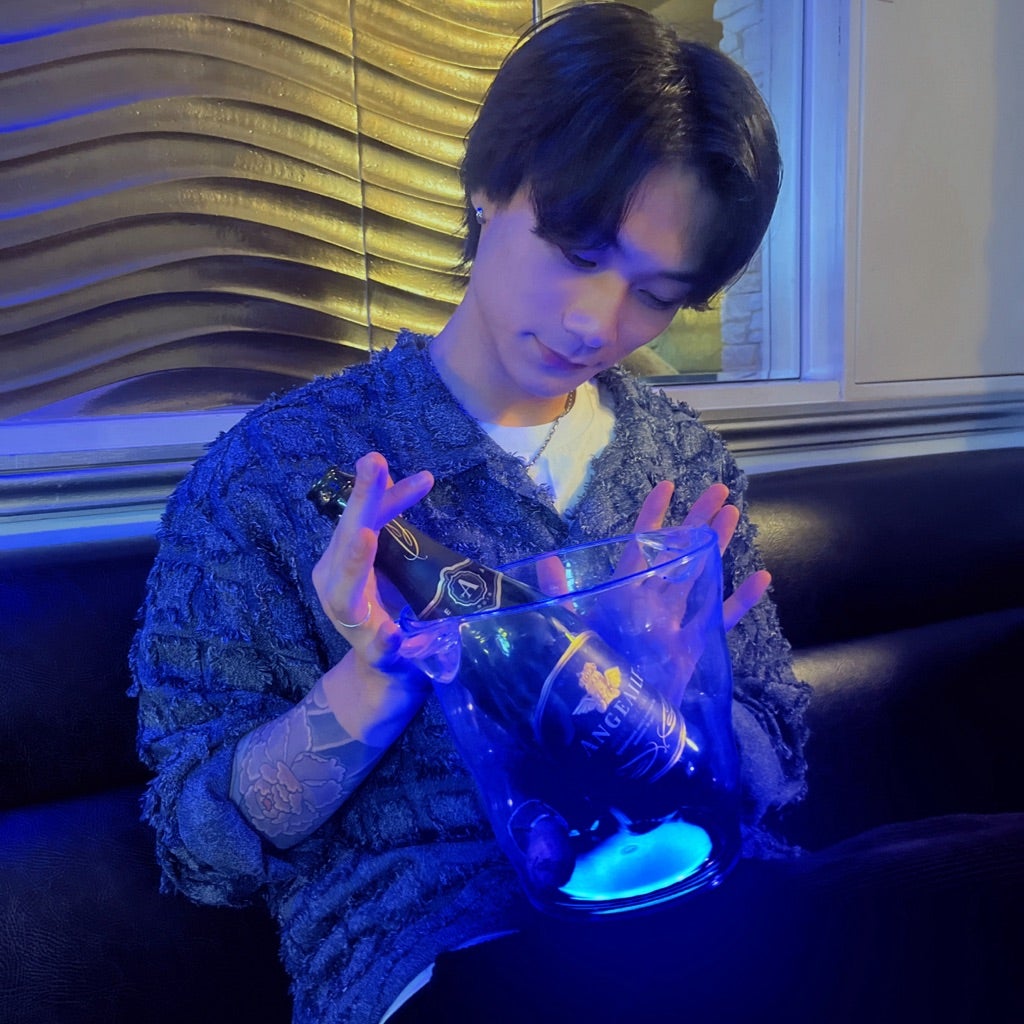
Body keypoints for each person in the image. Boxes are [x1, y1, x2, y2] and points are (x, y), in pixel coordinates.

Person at [130, 5, 1020, 1024]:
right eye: (576, 249)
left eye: (655, 294)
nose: (596, 323)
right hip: (454, 950)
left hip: (720, 907)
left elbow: (774, 761)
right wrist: (373, 680)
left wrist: (680, 696)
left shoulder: (681, 464)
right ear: (489, 186)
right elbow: (200, 845)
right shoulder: (275, 473)